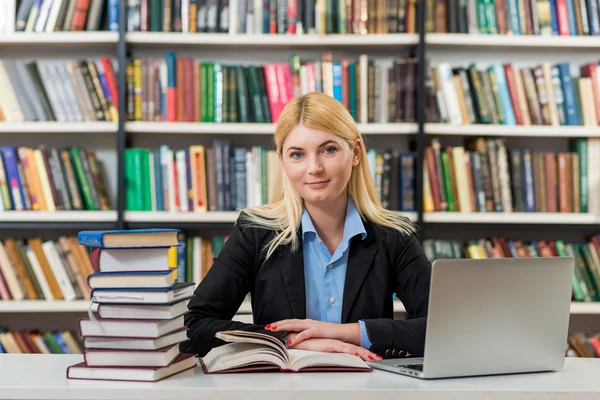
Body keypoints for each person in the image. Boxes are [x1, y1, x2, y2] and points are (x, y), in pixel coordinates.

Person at [179, 92, 431, 361]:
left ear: (356, 153)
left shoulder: (395, 237)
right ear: (283, 163)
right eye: (297, 154)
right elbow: (193, 326)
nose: (315, 168)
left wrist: (346, 333)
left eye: (329, 149)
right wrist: (289, 342)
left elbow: (443, 327)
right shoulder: (254, 233)